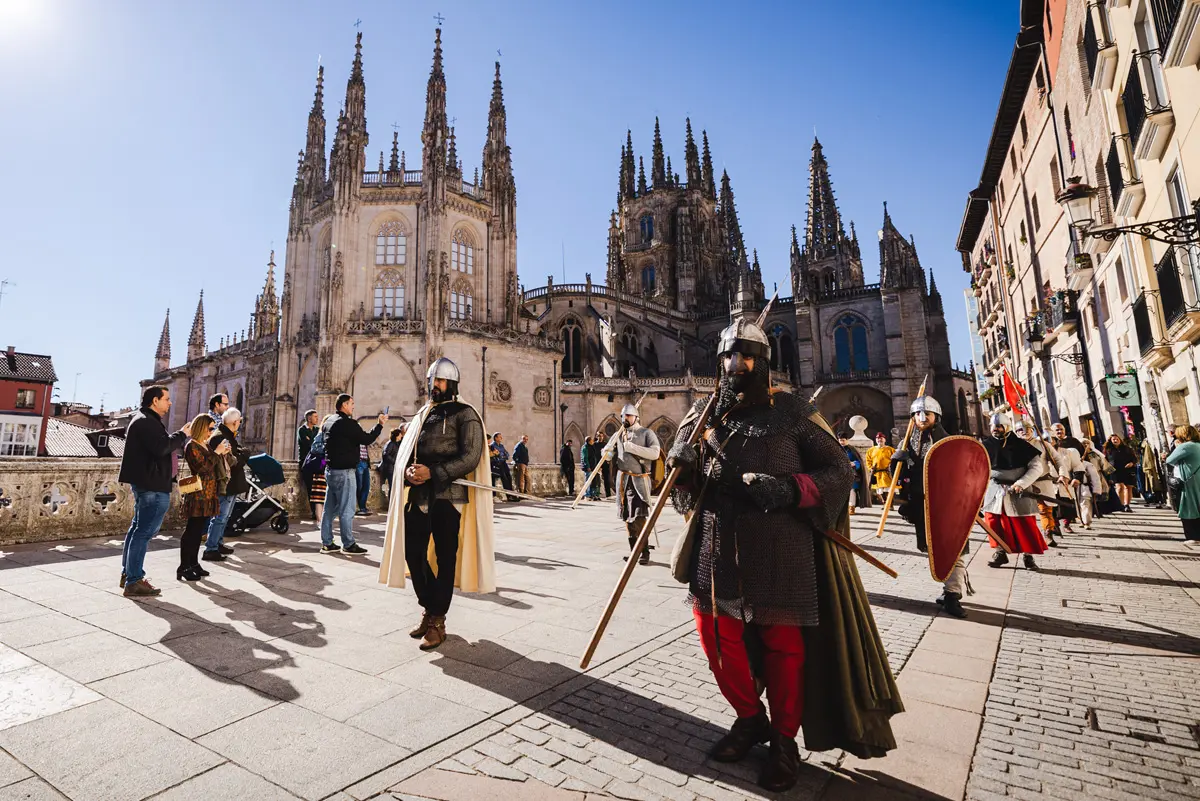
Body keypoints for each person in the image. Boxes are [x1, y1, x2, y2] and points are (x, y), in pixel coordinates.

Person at [666, 316, 900, 790]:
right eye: (729, 356)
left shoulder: (792, 413)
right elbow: (682, 494)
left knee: (785, 650)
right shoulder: (702, 417)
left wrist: (788, 489)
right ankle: (750, 719)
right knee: (716, 642)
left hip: (780, 547)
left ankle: (784, 740)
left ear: (763, 362)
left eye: (746, 356)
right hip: (718, 545)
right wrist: (682, 467)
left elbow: (840, 469)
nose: (737, 365)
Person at [379, 357, 494, 650]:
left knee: (445, 560)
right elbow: (408, 453)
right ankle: (430, 607)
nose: (435, 385)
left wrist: (435, 472)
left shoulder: (465, 414)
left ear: (452, 383)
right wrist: (407, 472)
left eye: (440, 381)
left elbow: (471, 456)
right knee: (413, 553)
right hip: (418, 496)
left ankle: (437, 620)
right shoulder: (423, 414)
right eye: (432, 380)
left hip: (447, 498)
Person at [892, 394, 969, 618]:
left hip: (947, 505)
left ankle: (953, 594)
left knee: (954, 549)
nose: (922, 417)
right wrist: (896, 462)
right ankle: (948, 591)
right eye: (917, 413)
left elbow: (963, 474)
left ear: (937, 416)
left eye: (927, 413)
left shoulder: (949, 442)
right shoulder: (906, 443)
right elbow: (898, 478)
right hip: (921, 504)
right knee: (934, 551)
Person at [117, 386, 189, 597]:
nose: (170, 403)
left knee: (137, 529)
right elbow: (161, 448)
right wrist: (182, 434)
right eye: (167, 399)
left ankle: (129, 574)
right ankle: (134, 580)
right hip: (152, 484)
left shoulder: (145, 420)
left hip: (148, 482)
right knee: (144, 532)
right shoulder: (146, 422)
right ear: (155, 401)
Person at [321, 394, 385, 555]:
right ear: (343, 405)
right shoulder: (348, 424)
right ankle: (348, 544)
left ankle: (327, 543)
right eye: (351, 403)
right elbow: (367, 438)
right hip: (345, 472)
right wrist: (379, 425)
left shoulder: (329, 422)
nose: (353, 406)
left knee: (329, 509)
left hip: (330, 471)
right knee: (347, 510)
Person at [982, 412, 1046, 570]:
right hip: (994, 491)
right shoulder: (985, 445)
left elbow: (1037, 468)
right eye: (993, 426)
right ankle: (1000, 552)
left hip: (1018, 491)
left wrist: (1021, 483)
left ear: (1007, 426)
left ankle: (1028, 556)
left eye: (999, 426)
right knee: (993, 523)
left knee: (1024, 524)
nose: (995, 429)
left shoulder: (1021, 445)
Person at [604, 404, 661, 565]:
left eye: (628, 416)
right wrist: (606, 452)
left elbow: (655, 453)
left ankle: (644, 552)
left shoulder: (646, 433)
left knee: (639, 517)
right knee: (627, 518)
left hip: (639, 479)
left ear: (636, 417)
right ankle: (634, 552)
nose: (625, 419)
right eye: (623, 416)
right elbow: (609, 454)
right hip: (623, 481)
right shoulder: (618, 434)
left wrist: (631, 447)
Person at [181, 414, 230, 581]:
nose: (211, 432)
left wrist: (223, 454)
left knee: (199, 531)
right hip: (197, 494)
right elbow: (204, 468)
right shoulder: (192, 446)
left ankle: (194, 563)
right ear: (201, 427)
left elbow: (214, 464)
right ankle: (184, 566)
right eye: (210, 428)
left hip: (208, 493)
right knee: (192, 531)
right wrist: (216, 453)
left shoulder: (205, 445)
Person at [203, 408, 249, 562]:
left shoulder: (225, 435)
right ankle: (211, 548)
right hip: (225, 483)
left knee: (225, 516)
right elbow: (233, 461)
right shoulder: (221, 437)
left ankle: (218, 543)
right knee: (220, 517)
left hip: (230, 483)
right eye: (239, 422)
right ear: (235, 423)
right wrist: (244, 455)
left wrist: (241, 454)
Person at [1166, 425, 1200, 544]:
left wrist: (1177, 447)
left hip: (1188, 481)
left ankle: (1194, 536)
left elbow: (1169, 460)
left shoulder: (1185, 446)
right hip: (1197, 478)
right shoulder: (1197, 445)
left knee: (1188, 506)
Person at [1081, 438, 1112, 519]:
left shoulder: (1094, 454)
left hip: (1097, 476)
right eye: (1083, 443)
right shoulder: (1078, 454)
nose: (1085, 445)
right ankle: (1090, 512)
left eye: (1087, 443)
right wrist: (1084, 452)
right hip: (1084, 477)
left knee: (1099, 494)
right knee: (1087, 496)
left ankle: (1099, 511)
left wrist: (1110, 477)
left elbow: (1103, 464)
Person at [1104, 434, 1137, 512]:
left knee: (1128, 487)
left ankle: (1127, 505)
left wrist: (1132, 463)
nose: (1115, 440)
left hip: (1127, 470)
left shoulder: (1127, 449)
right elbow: (1105, 462)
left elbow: (1134, 459)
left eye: (1117, 439)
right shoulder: (1108, 450)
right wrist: (1108, 475)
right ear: (1111, 441)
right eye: (1114, 439)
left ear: (1120, 440)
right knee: (1119, 487)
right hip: (1115, 471)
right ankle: (1120, 505)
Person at [297, 410, 319, 519]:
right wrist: (315, 443)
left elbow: (320, 444)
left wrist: (313, 442)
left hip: (318, 462)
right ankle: (314, 512)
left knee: (318, 488)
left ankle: (320, 511)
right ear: (309, 418)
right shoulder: (301, 430)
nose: (317, 419)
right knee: (310, 488)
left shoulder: (318, 430)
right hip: (306, 463)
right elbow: (308, 445)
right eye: (315, 417)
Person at [865, 431, 894, 503]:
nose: (879, 440)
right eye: (878, 438)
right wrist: (870, 468)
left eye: (881, 438)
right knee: (878, 490)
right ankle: (884, 503)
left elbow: (894, 460)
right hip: (876, 473)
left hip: (887, 473)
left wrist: (891, 467)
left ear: (884, 439)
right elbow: (868, 460)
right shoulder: (871, 450)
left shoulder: (890, 450)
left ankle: (889, 504)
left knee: (888, 489)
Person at [838, 434, 862, 515]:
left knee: (852, 490)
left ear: (847, 440)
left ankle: (851, 507)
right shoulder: (835, 449)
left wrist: (854, 463)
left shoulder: (852, 450)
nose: (842, 442)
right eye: (840, 440)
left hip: (851, 473)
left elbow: (859, 461)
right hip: (839, 473)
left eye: (843, 440)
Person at [379, 426, 404, 496]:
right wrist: (394, 462)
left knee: (393, 487)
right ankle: (391, 505)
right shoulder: (391, 443)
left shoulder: (395, 443)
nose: (401, 435)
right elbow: (385, 455)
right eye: (400, 434)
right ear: (397, 435)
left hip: (392, 468)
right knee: (392, 487)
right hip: (389, 469)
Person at [489, 433, 514, 500]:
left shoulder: (501, 446)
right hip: (497, 464)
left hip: (504, 463)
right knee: (504, 479)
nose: (501, 438)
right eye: (500, 437)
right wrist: (502, 456)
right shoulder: (492, 446)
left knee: (509, 477)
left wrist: (502, 456)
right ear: (496, 438)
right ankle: (508, 496)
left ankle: (511, 495)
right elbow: (497, 456)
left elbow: (507, 454)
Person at [1141, 438, 1165, 507]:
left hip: (1151, 469)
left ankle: (1157, 500)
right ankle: (1155, 499)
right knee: (1152, 485)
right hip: (1150, 469)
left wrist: (1147, 468)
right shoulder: (1145, 447)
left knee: (1154, 485)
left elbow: (1148, 460)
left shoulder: (1147, 447)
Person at [581, 436, 601, 500]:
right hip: (588, 467)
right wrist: (588, 466)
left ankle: (592, 494)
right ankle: (587, 495)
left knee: (593, 481)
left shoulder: (592, 447)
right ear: (589, 441)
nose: (593, 441)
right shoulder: (585, 447)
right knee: (588, 481)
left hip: (593, 466)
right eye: (592, 440)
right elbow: (585, 458)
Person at [596, 430, 614, 497]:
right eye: (598, 436)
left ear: (603, 437)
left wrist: (609, 460)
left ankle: (608, 494)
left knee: (607, 479)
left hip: (605, 464)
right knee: (596, 481)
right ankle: (596, 495)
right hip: (597, 464)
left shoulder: (605, 445)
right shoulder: (595, 445)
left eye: (601, 436)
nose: (600, 437)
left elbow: (610, 453)